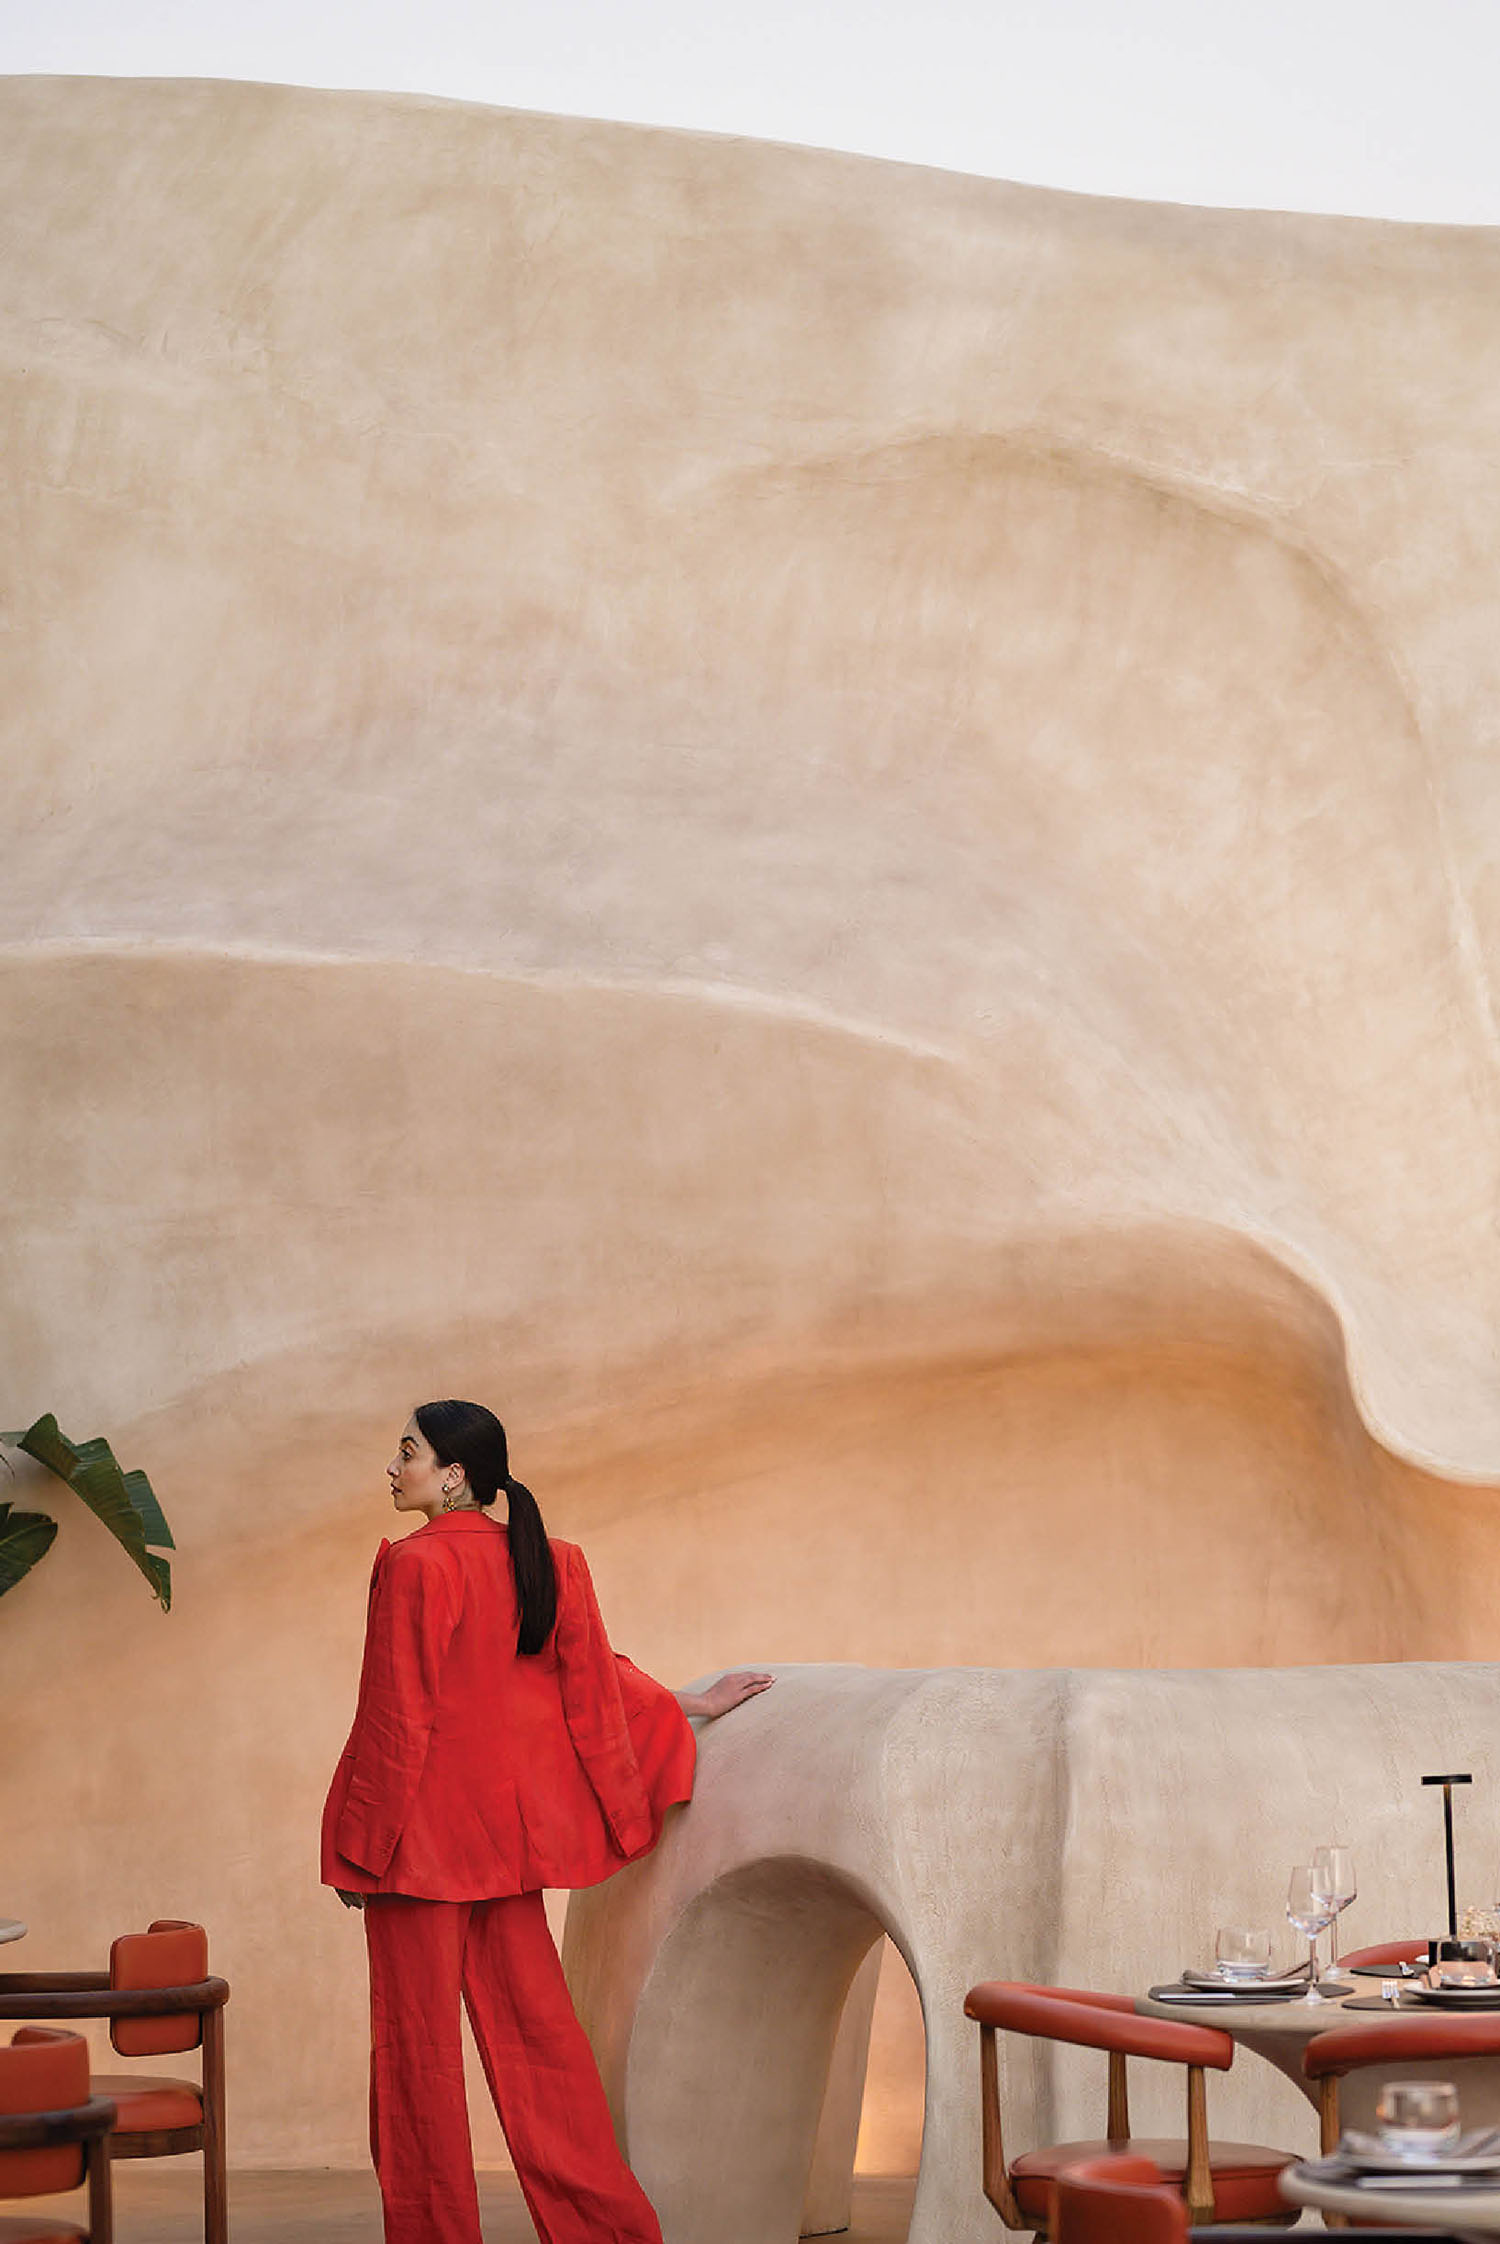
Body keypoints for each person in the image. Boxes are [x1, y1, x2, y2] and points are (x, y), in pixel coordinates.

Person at [320, 1399, 771, 2244]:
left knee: (418, 2066)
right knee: (543, 2055)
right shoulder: (551, 1561)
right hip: (505, 1850)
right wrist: (692, 1702)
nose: (393, 1466)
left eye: (407, 1451)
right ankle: (608, 2235)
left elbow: (396, 1717)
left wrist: (359, 1846)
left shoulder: (415, 1567)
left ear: (453, 1474)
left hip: (417, 1854)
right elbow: (593, 1685)